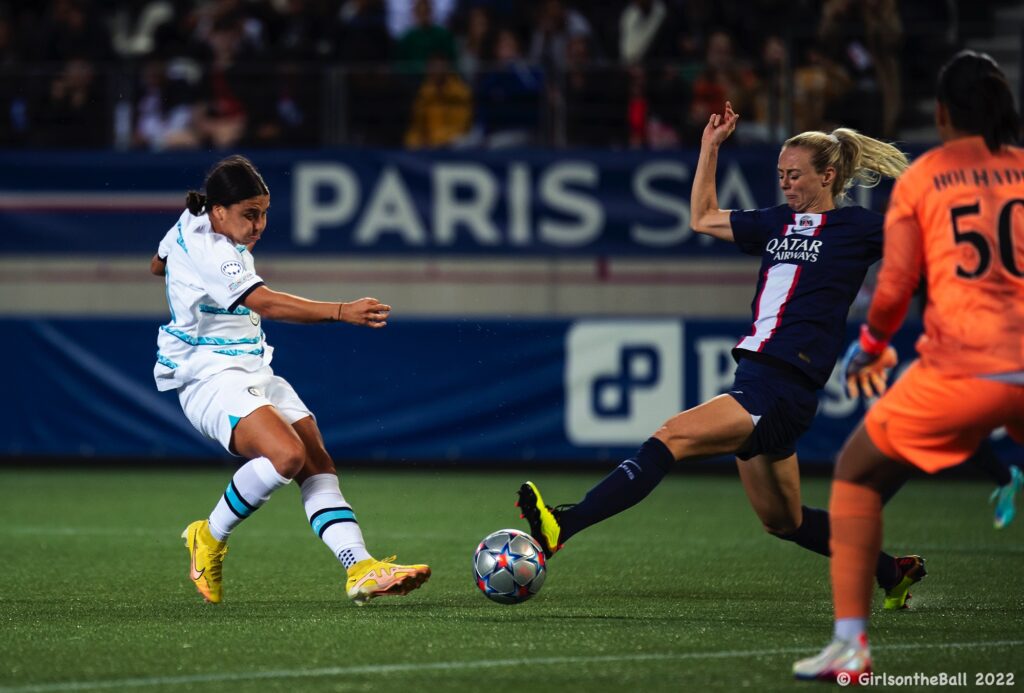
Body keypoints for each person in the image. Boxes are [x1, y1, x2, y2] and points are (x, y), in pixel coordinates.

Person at [516, 101, 924, 608]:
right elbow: (703, 217)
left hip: (780, 383)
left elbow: (924, 243)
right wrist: (709, 148)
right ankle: (892, 572)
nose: (786, 184)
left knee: (671, 436)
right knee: (784, 522)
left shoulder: (858, 228)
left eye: (795, 175)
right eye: (780, 175)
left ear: (829, 175)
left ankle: (563, 525)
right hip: (761, 379)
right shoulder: (776, 222)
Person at [793, 50, 1024, 682]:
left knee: (855, 475)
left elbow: (894, 288)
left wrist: (869, 348)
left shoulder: (924, 178)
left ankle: (851, 646)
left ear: (942, 112)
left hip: (963, 372)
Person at [151, 155, 430, 606]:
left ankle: (360, 567)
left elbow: (157, 264)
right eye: (249, 214)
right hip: (206, 376)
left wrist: (179, 279)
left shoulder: (194, 219)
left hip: (252, 367)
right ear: (219, 210)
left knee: (316, 462)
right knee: (286, 455)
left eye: (263, 212)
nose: (259, 224)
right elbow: (269, 304)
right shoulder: (214, 251)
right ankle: (208, 535)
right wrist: (342, 311)